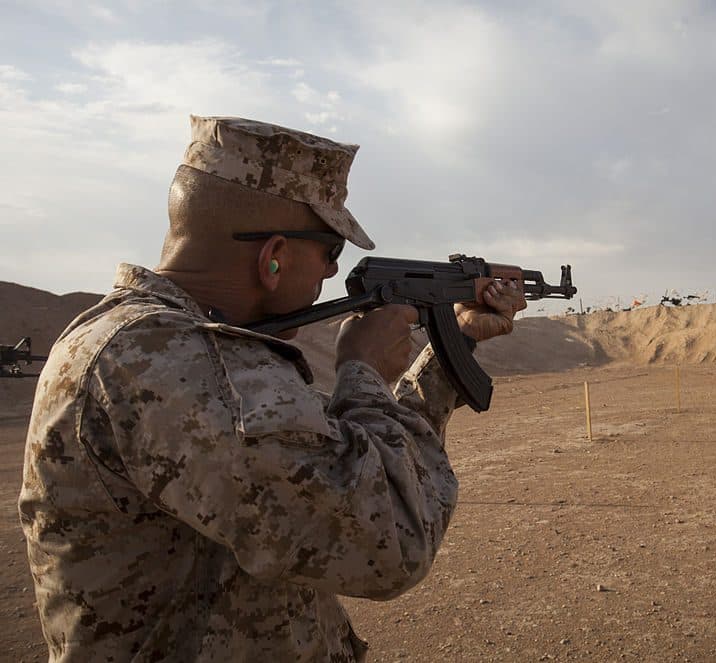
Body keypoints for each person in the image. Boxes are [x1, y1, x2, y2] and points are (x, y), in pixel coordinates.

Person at [19, 115, 527, 662]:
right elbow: (392, 540)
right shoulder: (169, 363)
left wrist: (452, 355)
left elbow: (327, 466)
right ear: (272, 256)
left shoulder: (184, 353)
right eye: (330, 251)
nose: (332, 275)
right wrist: (364, 374)